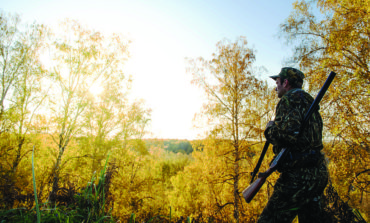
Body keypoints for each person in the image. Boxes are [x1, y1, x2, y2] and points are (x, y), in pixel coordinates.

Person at [257, 67, 329, 223]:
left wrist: (269, 129)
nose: (276, 87)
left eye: (277, 83)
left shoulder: (289, 99)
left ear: (286, 82)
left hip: (297, 177)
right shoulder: (310, 104)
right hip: (318, 173)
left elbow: (288, 136)